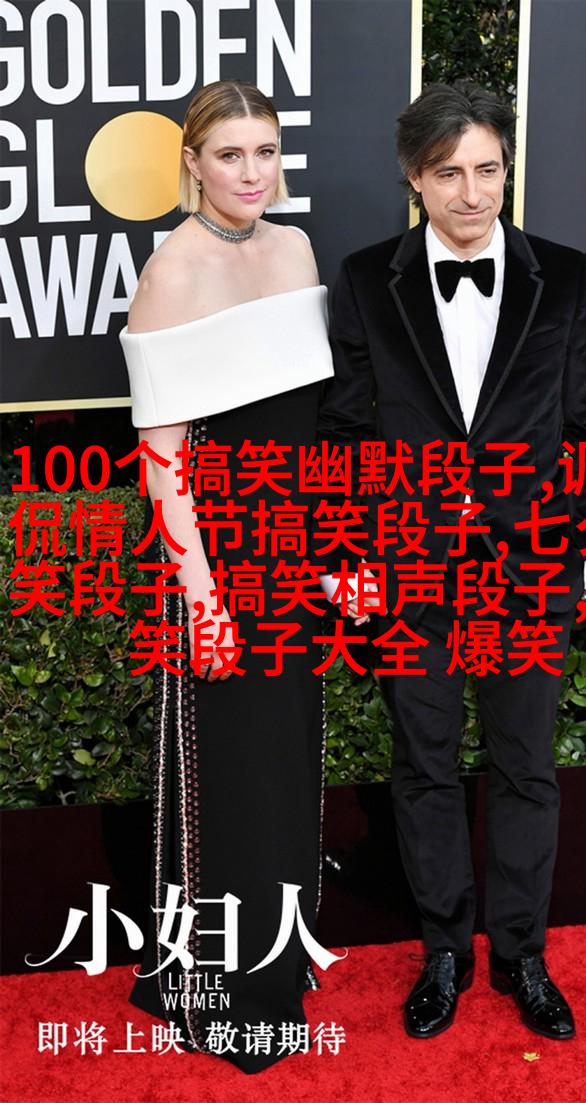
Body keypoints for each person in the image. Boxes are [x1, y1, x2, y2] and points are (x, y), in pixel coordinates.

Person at [318, 81, 586, 1042]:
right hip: (410, 566)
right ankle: (444, 950)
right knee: (423, 763)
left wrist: (583, 545)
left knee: (526, 765)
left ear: (507, 169)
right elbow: (343, 431)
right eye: (448, 172)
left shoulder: (563, 275)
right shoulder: (365, 279)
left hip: (529, 566)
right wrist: (345, 553)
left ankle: (523, 953)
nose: (472, 192)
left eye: (487, 169)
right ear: (413, 178)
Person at [119, 81, 334, 1074]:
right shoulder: (171, 270)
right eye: (231, 154)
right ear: (194, 164)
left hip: (296, 541)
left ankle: (277, 962)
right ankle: (215, 989)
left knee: (286, 758)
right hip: (218, 551)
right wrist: (202, 596)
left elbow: (315, 422)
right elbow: (162, 456)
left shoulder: (295, 251)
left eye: (266, 152)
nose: (252, 172)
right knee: (225, 771)